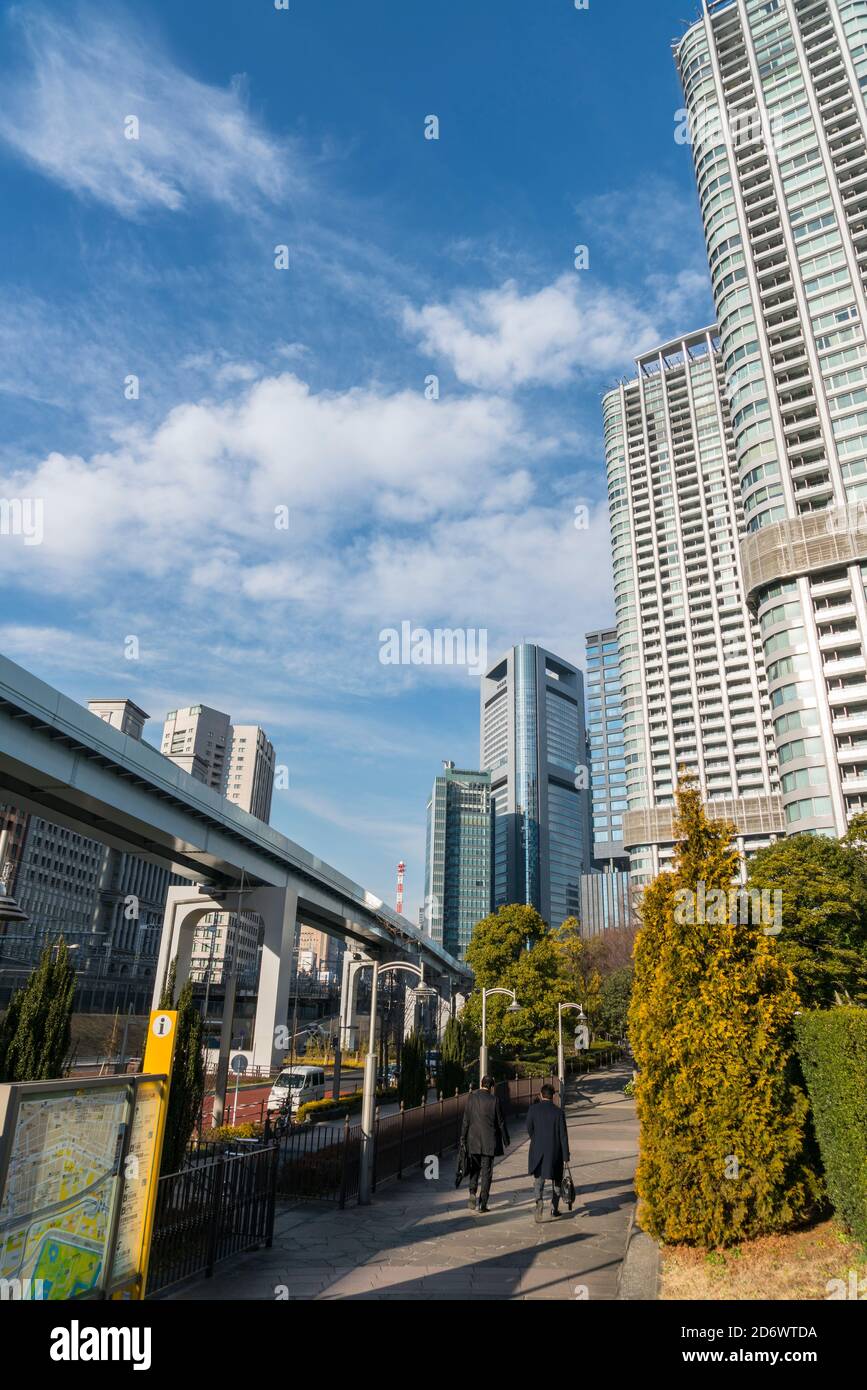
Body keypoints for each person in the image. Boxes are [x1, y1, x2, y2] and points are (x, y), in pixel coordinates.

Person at [460, 1075, 510, 1213]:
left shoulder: (471, 1098)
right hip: (489, 1143)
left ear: (481, 1084)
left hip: (473, 1141)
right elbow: (501, 1122)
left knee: (474, 1169)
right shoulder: (495, 1100)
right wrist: (506, 1140)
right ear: (491, 1086)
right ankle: (483, 1203)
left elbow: (466, 1120)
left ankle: (472, 1192)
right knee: (487, 1173)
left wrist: (462, 1138)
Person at [526, 1082, 570, 1221]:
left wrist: (536, 1139)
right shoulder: (558, 1112)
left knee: (539, 1181)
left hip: (538, 1150)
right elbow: (563, 1135)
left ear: (541, 1094)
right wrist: (566, 1155)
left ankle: (539, 1202)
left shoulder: (533, 1110)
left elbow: (529, 1128)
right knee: (556, 1181)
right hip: (555, 1151)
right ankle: (554, 1208)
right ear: (553, 1096)